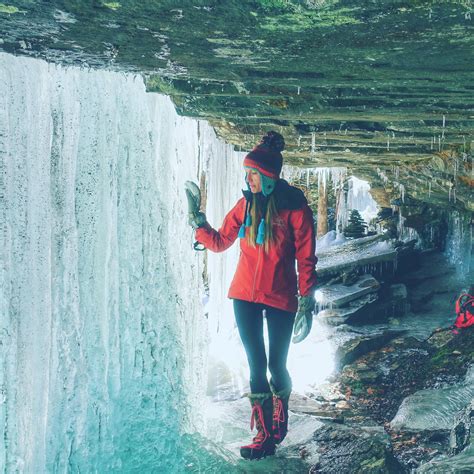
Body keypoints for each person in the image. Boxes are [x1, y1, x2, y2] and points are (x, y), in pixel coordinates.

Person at [185, 131, 318, 460]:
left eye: (254, 174)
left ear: (270, 176)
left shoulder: (294, 209)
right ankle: (264, 435)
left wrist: (307, 298)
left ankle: (279, 419)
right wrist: (196, 219)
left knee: (277, 365)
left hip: (281, 297)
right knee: (256, 366)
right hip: (244, 295)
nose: (249, 179)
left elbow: (306, 257)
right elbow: (218, 242)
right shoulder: (245, 205)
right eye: (247, 174)